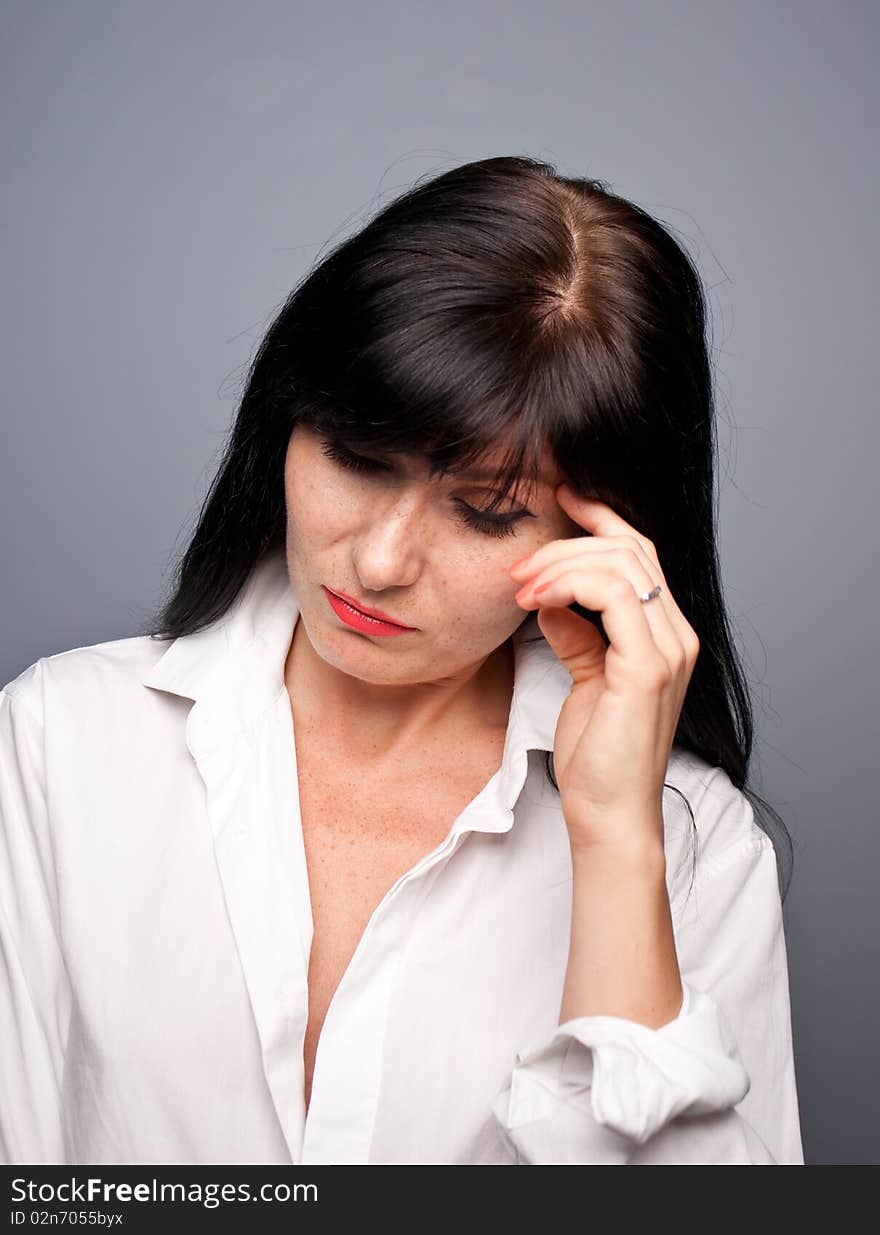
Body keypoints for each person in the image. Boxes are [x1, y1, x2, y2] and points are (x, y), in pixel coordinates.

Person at [0, 155, 803, 1165]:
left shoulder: (697, 850)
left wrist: (612, 847)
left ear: (604, 541)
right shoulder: (56, 742)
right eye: (353, 454)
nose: (379, 562)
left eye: (485, 511)